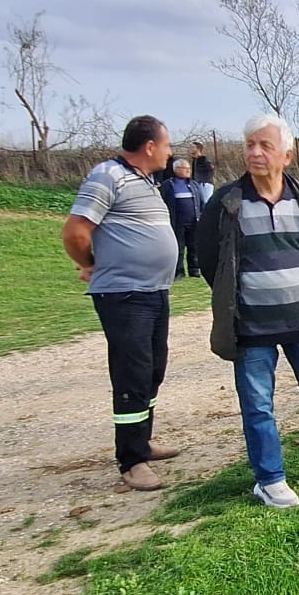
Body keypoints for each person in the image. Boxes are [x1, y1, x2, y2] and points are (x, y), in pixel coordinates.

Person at [195, 114, 299, 509]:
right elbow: (209, 259)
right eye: (250, 145)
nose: (255, 152)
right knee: (258, 405)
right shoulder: (226, 202)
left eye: (265, 145)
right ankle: (269, 479)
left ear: (287, 156)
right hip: (251, 325)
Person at [62, 115, 183, 492]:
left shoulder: (146, 181)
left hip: (154, 291)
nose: (169, 152)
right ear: (150, 146)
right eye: (166, 145)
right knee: (132, 373)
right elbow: (76, 231)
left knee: (153, 369)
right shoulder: (108, 176)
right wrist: (90, 264)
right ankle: (131, 461)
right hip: (125, 295)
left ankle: (142, 441)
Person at [164, 158, 205, 278]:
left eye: (189, 168)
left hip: (193, 222)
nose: (188, 171)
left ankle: (194, 269)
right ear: (176, 169)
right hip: (177, 222)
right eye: (185, 168)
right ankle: (179, 271)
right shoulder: (168, 185)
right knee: (179, 248)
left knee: (194, 247)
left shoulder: (194, 185)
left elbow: (201, 202)